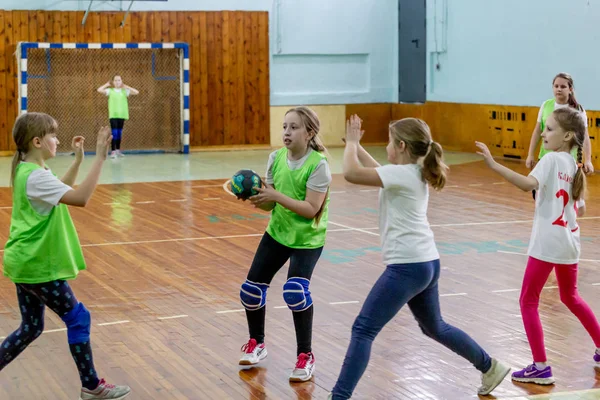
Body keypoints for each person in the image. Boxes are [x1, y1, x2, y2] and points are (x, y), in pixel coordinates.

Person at [328, 115, 509, 399]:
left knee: (363, 329)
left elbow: (351, 173)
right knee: (434, 327)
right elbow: (380, 171)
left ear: (400, 145)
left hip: (407, 267)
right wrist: (358, 147)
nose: (386, 147)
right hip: (427, 263)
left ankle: (338, 396)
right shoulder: (412, 173)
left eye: (389, 142)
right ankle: (490, 367)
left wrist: (351, 144)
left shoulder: (403, 175)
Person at [0, 112, 131, 399]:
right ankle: (92, 385)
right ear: (38, 141)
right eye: (53, 136)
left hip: (23, 261)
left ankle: (90, 385)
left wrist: (79, 161)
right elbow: (80, 198)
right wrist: (99, 158)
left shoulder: (30, 170)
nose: (57, 140)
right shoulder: (34, 175)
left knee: (31, 328)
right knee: (79, 318)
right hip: (36, 266)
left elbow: (60, 191)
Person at [476, 106, 600, 385]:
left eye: (550, 128)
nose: (543, 132)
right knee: (571, 297)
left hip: (547, 243)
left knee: (527, 301)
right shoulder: (573, 164)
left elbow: (525, 184)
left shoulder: (551, 160)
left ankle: (541, 366)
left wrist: (494, 165)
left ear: (567, 135)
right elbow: (578, 210)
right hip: (570, 241)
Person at [237, 106, 331, 382]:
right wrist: (256, 197)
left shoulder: (318, 165)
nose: (286, 132)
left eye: (294, 127)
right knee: (250, 291)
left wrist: (275, 195)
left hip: (307, 239)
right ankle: (257, 344)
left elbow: (310, 209)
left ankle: (305, 356)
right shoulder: (275, 157)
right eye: (284, 126)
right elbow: (269, 204)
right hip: (278, 233)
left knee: (295, 292)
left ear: (309, 132)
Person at [526, 73, 593, 199]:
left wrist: (588, 160)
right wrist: (530, 154)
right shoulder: (546, 105)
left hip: (567, 161)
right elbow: (537, 132)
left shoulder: (578, 110)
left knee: (563, 197)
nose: (559, 89)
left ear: (570, 89)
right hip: (545, 157)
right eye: (556, 86)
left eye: (563, 86)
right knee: (540, 196)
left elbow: (584, 137)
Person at [96, 75, 139, 158]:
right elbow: (99, 90)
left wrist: (126, 86)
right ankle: (113, 151)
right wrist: (107, 84)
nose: (117, 82)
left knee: (119, 133)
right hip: (113, 115)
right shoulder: (110, 91)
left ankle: (118, 151)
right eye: (115, 80)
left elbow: (136, 92)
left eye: (119, 80)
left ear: (121, 81)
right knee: (114, 133)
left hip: (122, 115)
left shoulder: (124, 91)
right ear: (113, 82)